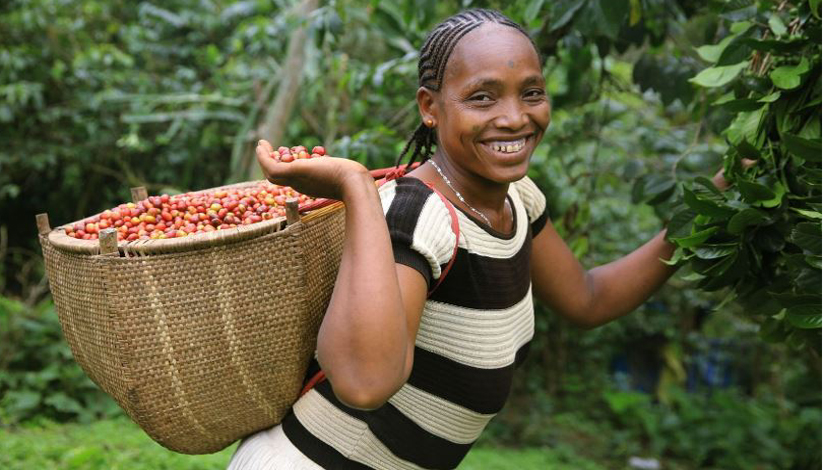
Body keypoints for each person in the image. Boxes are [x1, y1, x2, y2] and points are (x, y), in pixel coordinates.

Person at [228, 8, 726, 470]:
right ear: (431, 107)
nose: (514, 117)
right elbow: (363, 384)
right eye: (482, 97)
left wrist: (719, 201)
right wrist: (356, 187)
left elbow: (589, 299)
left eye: (531, 93)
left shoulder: (518, 200)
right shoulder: (415, 214)